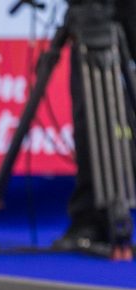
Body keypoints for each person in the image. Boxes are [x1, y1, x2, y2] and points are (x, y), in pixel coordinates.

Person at [53, 0, 136, 257]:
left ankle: (96, 220)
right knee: (89, 116)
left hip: (121, 13)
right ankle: (90, 219)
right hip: (94, 17)